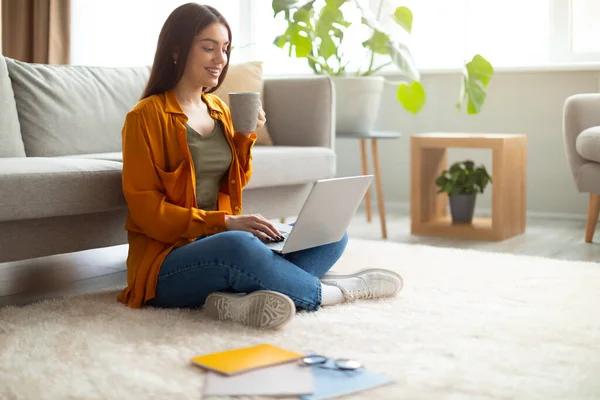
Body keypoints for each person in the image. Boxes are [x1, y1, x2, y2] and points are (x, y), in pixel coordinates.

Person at [117, 2, 403, 329]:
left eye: (224, 49)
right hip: (166, 264)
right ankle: (332, 291)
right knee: (239, 246)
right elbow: (147, 213)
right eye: (208, 48)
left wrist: (244, 136)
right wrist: (225, 224)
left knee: (328, 233)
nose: (220, 59)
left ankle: (236, 297)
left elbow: (235, 181)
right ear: (176, 50)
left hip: (219, 244)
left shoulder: (218, 110)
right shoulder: (145, 117)